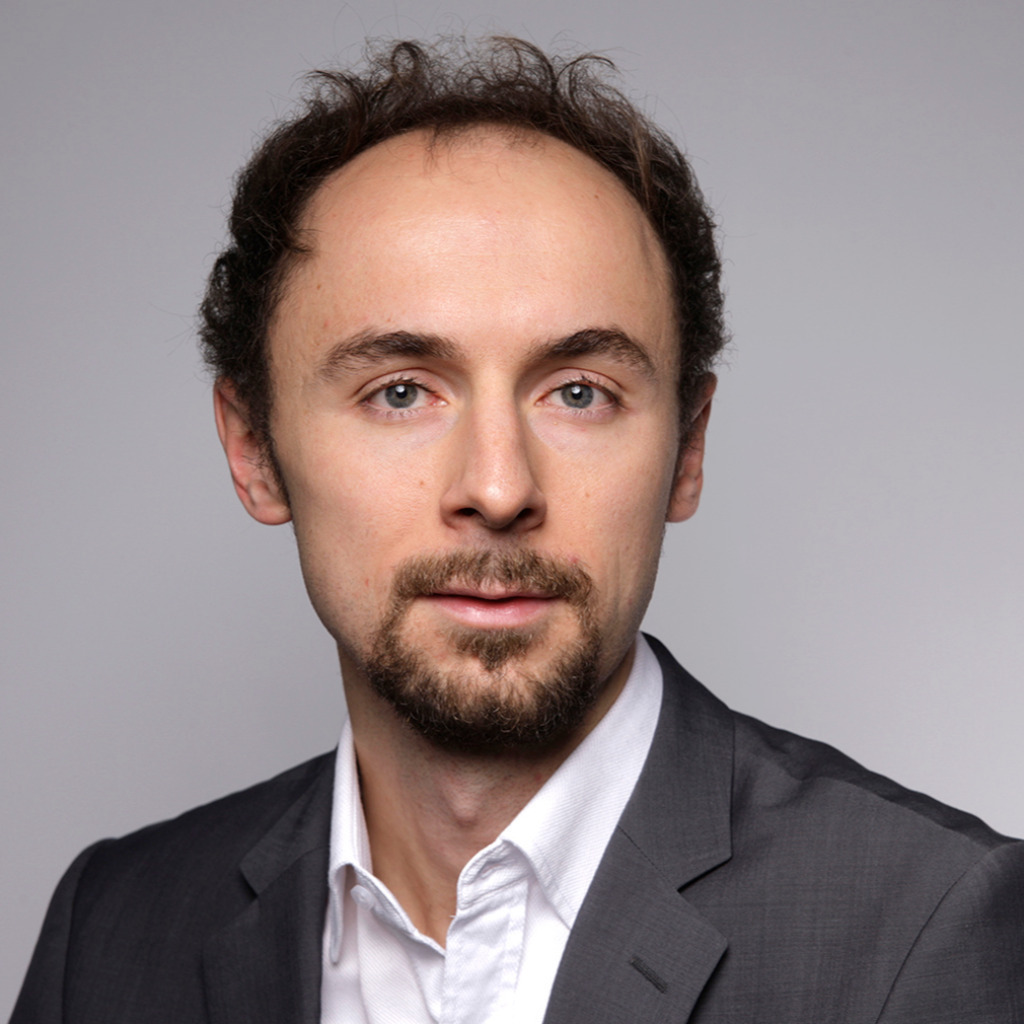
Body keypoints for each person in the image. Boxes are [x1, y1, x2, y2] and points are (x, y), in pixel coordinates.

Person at [12, 36, 1024, 1024]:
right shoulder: (112, 928)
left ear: (688, 448)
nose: (497, 489)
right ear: (253, 450)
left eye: (579, 392)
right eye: (400, 391)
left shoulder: (926, 929)